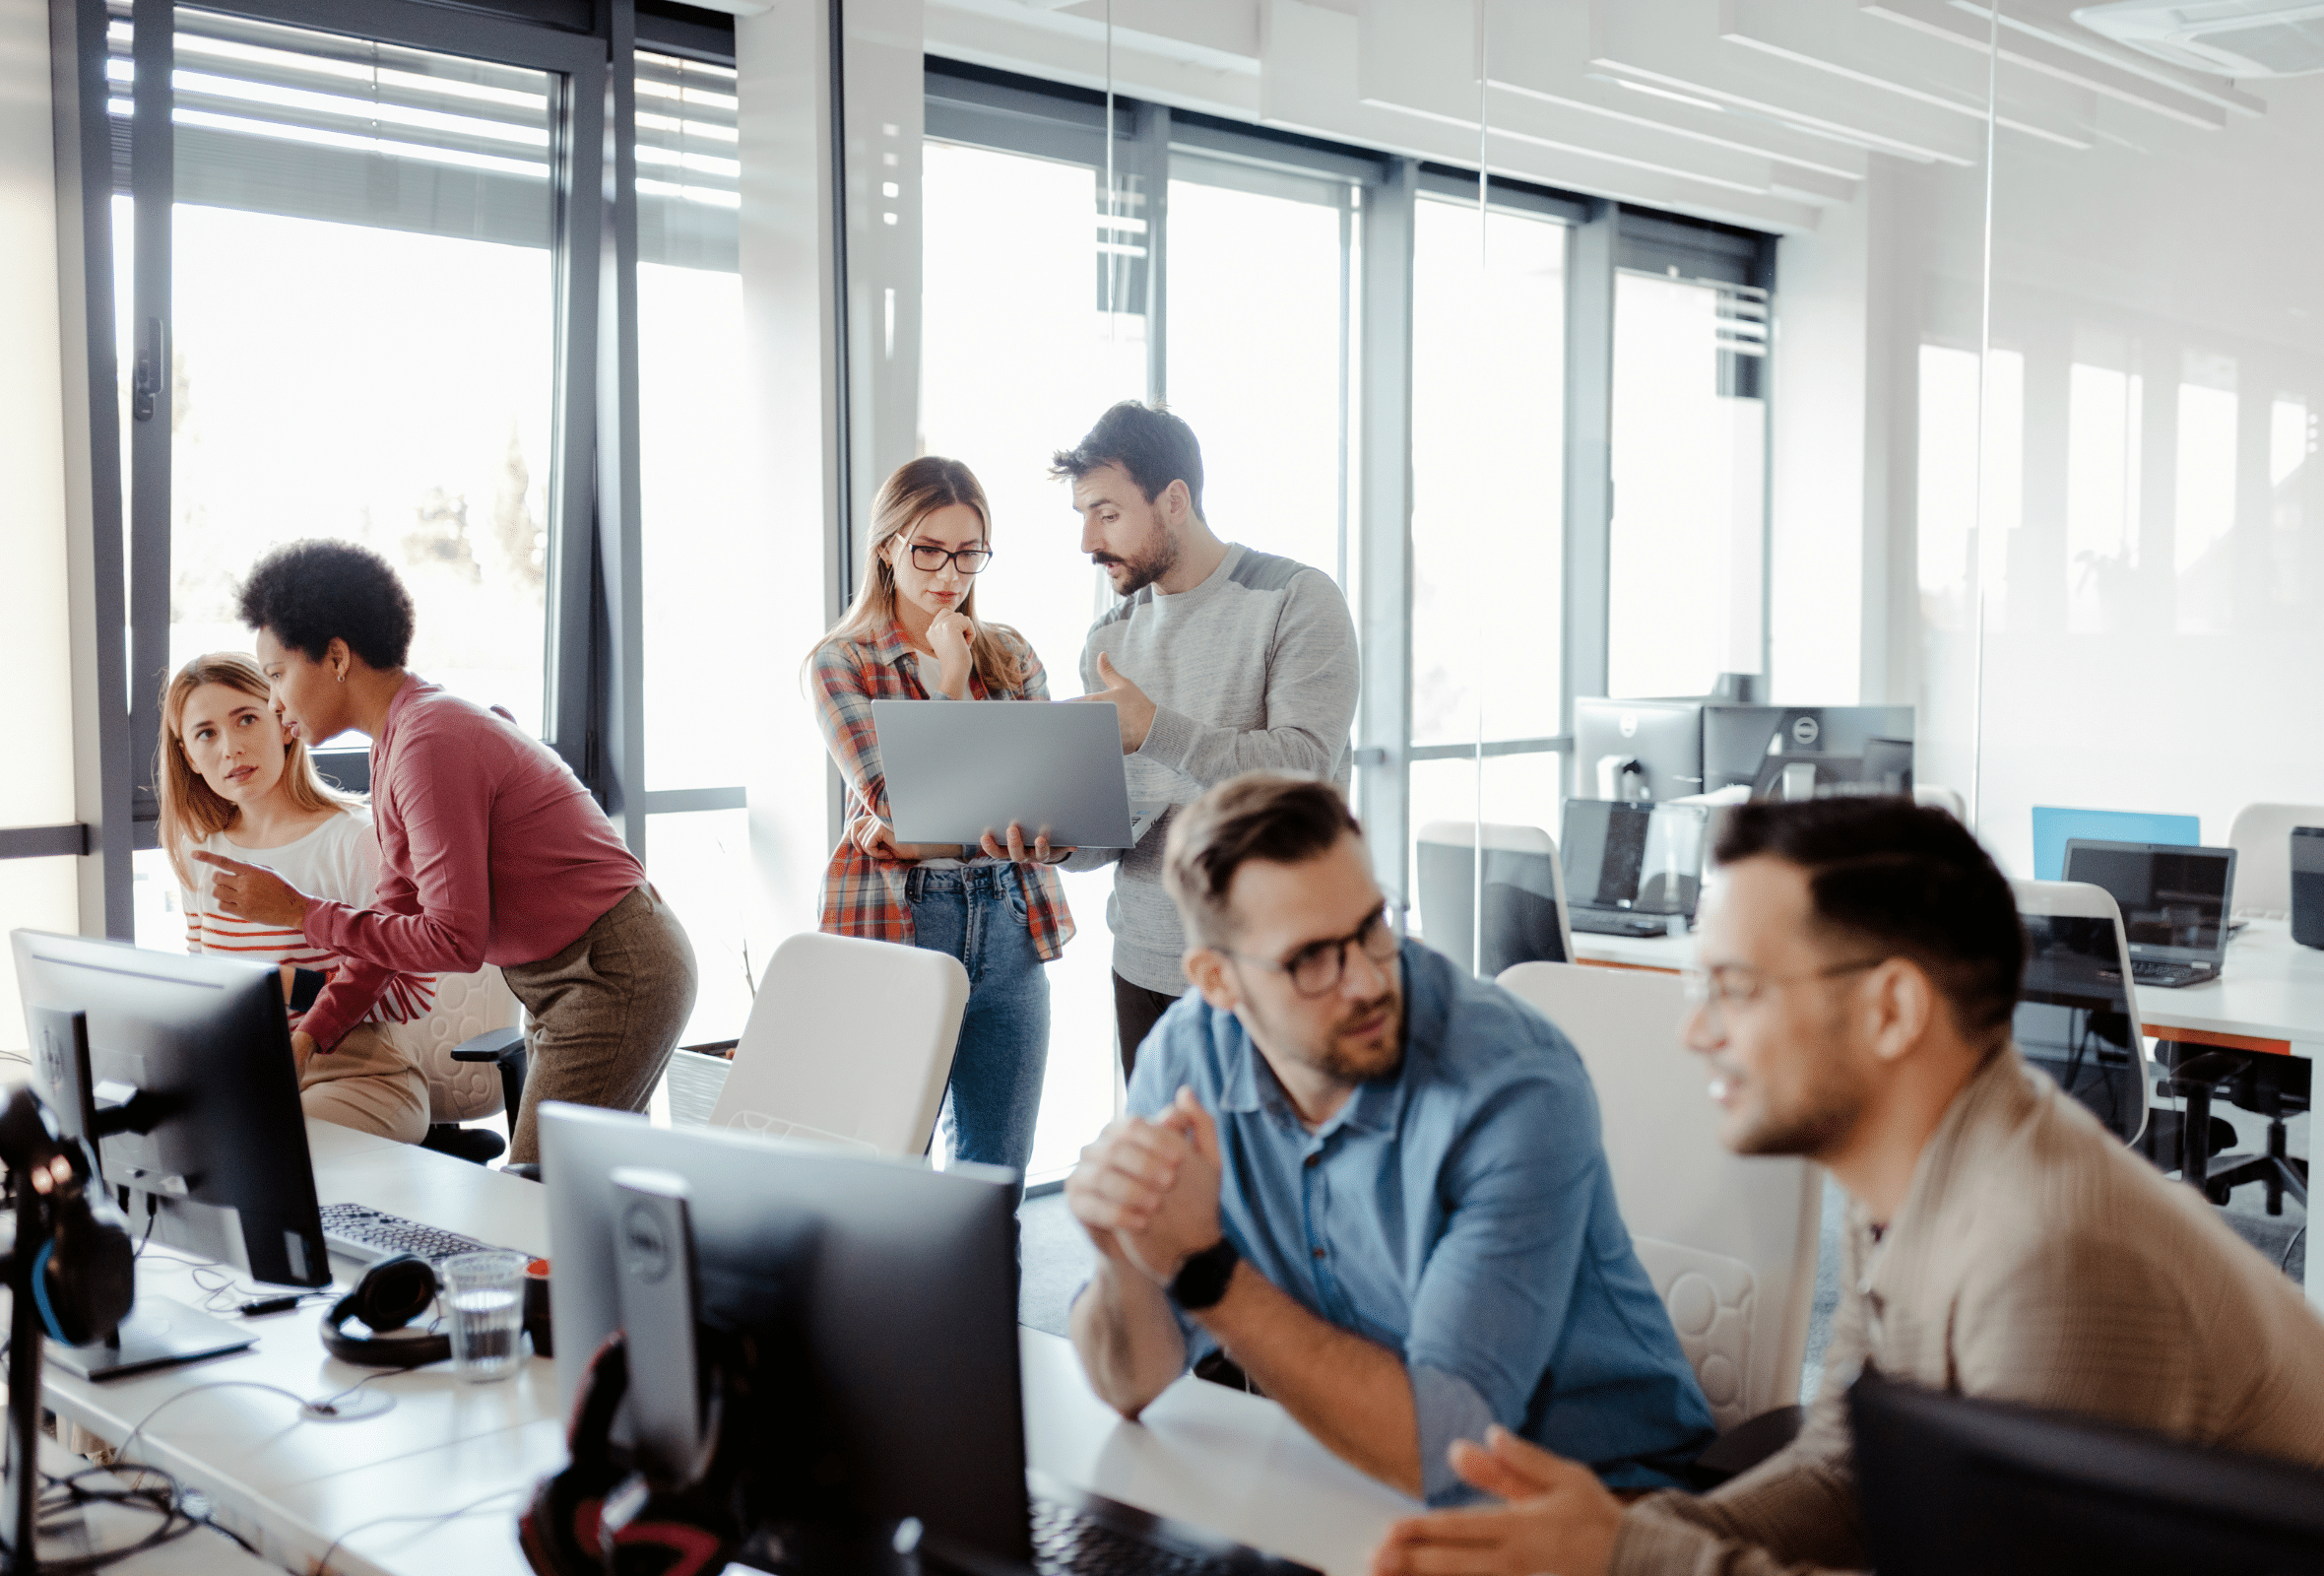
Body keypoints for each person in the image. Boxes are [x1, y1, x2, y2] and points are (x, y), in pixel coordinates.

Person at [1370, 797, 2324, 1576]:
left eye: (1734, 988)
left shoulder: (2049, 1255)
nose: (1693, 1032)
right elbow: (1844, 1475)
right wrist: (1600, 1541)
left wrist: (1627, 1552)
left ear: (1891, 1008)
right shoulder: (1911, 1179)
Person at [1065, 772, 1715, 1507]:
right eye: (1313, 958)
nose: (1370, 982)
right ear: (1217, 980)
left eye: (1373, 927)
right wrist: (1121, 1251)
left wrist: (1202, 1266)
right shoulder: (1189, 1057)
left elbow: (1447, 1451)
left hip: (1595, 1502)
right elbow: (1132, 1385)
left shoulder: (1512, 1087)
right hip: (1351, 1474)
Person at [194, 540, 698, 1167]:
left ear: (337, 657)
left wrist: (305, 914)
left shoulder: (429, 743)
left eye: (275, 674)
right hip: (564, 978)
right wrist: (314, 1033)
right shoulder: (399, 743)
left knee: (531, 1194)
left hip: (612, 969)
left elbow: (453, 942)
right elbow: (392, 917)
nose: (273, 701)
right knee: (567, 1199)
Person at [1051, 403, 1359, 1081]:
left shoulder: (1296, 599)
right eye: (1081, 517)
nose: (1087, 542)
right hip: (1141, 963)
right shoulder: (1108, 638)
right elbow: (1123, 823)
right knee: (1169, 1182)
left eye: (1106, 513)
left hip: (1269, 968)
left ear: (1174, 501)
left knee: (1264, 1186)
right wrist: (1058, 841)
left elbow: (1304, 772)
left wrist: (1155, 729)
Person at [806, 456, 1073, 1184]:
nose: (949, 573)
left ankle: (982, 1306)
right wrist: (952, 688)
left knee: (995, 1184)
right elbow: (905, 804)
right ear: (887, 546)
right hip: (903, 924)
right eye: (929, 549)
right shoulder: (843, 662)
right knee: (892, 1178)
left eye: (968, 552)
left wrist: (924, 828)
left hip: (1013, 920)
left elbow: (1043, 800)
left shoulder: (1011, 653)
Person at [160, 652, 432, 1144]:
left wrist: (283, 984)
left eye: (246, 719)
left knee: (266, 1143)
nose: (231, 748)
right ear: (188, 756)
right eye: (206, 733)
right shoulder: (200, 852)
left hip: (356, 1075)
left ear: (284, 722)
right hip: (250, 1076)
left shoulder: (353, 841)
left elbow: (413, 993)